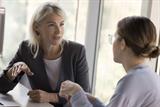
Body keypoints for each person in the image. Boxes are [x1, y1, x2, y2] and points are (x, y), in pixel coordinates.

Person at [0, 2, 90, 107]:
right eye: (52, 25)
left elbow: (85, 95)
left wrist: (51, 97)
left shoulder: (77, 51)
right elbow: (2, 87)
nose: (58, 31)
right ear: (37, 27)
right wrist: (11, 74)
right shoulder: (27, 49)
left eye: (61, 24)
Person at [59, 16, 160, 107]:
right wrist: (91, 99)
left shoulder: (131, 81)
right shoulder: (151, 77)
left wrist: (76, 92)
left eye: (114, 37)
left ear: (122, 44)